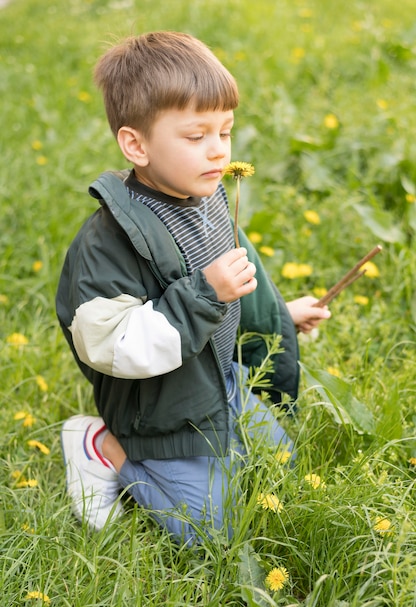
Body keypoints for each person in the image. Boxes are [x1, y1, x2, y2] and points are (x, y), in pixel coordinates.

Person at [56, 31, 330, 543]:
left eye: (224, 132)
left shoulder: (207, 200)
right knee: (211, 533)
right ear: (136, 144)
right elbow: (110, 344)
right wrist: (205, 293)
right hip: (160, 415)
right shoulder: (109, 242)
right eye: (195, 136)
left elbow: (233, 289)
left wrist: (280, 315)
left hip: (218, 386)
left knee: (282, 472)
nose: (218, 151)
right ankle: (105, 448)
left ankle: (215, 444)